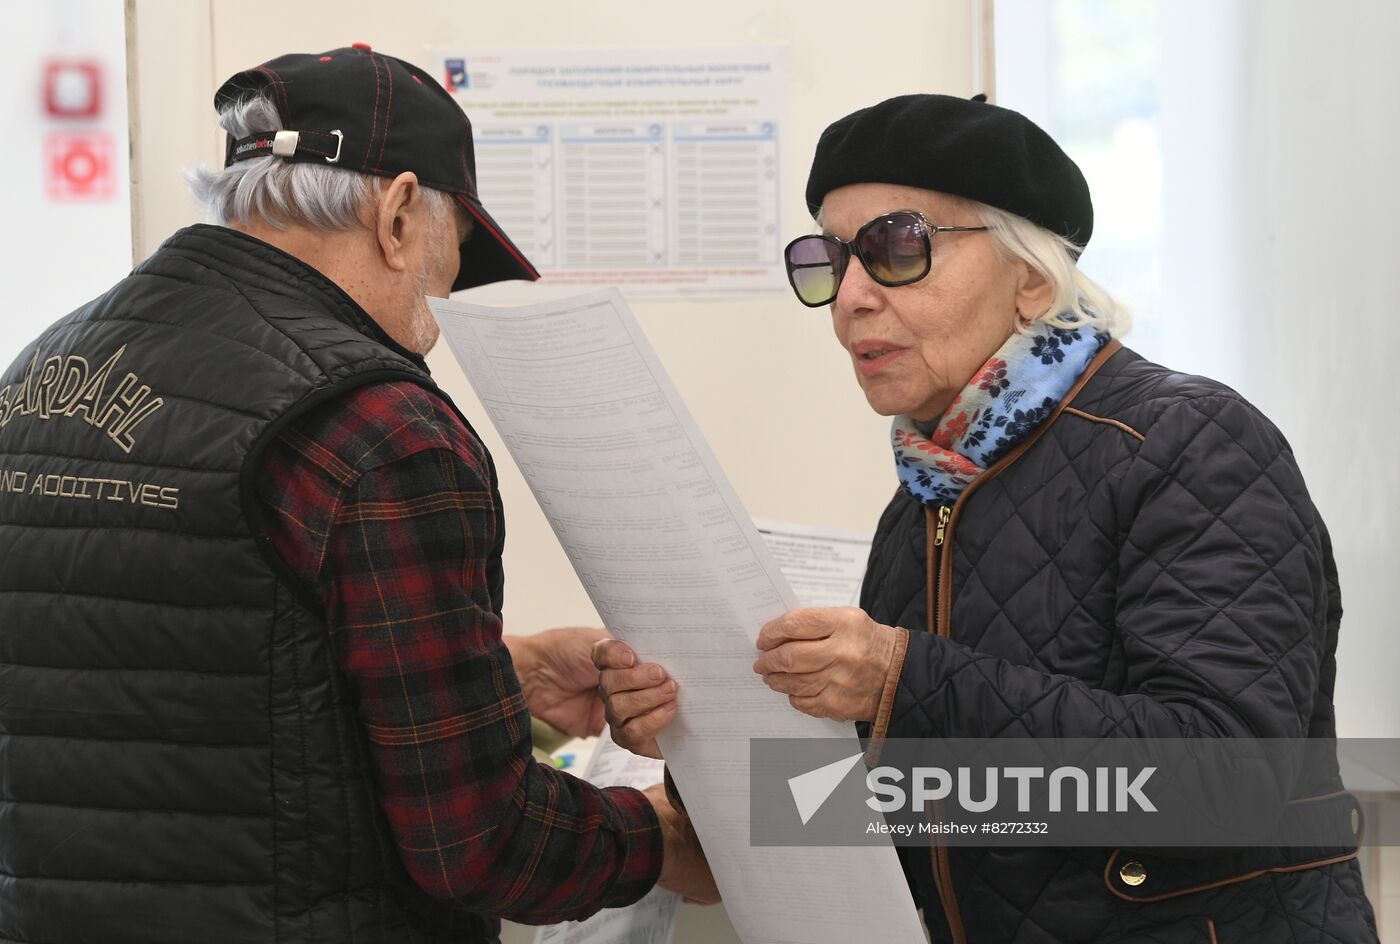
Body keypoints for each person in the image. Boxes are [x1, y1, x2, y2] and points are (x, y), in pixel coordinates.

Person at [595, 94, 1378, 943]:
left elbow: (1222, 784)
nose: (849, 295)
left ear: (1033, 278)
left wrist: (904, 680)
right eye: (829, 258)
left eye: (896, 247)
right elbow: (910, 806)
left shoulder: (1190, 442)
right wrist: (701, 741)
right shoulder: (929, 494)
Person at [0, 45, 714, 944]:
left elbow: (170, 678)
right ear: (400, 213)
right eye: (456, 253)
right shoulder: (381, 427)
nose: (444, 299)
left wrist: (500, 671)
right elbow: (480, 846)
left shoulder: (41, 372)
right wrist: (663, 839)